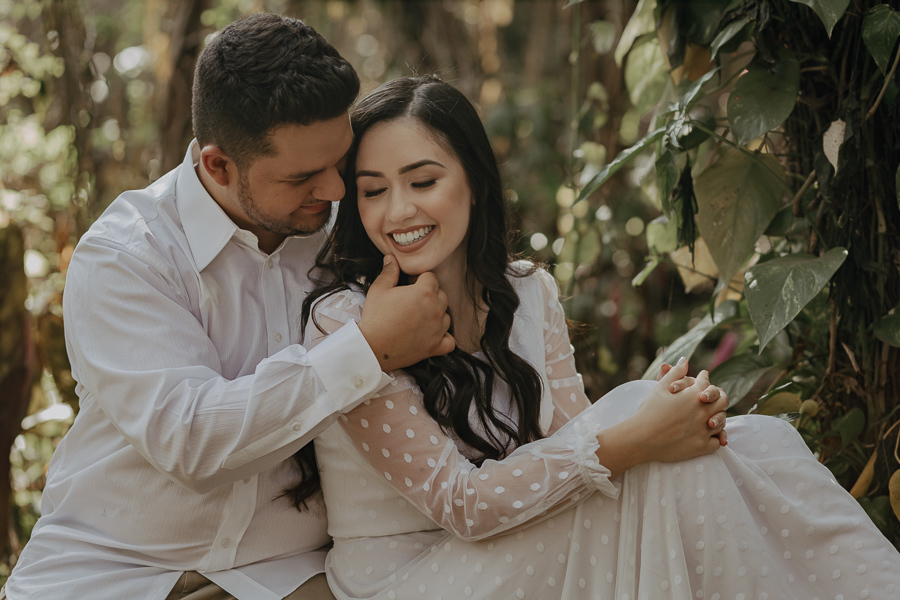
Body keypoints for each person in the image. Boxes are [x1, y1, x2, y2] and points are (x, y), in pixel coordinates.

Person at [301, 75, 900, 599]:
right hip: (408, 580)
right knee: (651, 443)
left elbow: (574, 440)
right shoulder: (348, 323)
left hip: (517, 546)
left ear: (475, 182)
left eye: (422, 181)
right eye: (373, 190)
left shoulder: (527, 292)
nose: (398, 211)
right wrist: (639, 435)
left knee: (759, 443)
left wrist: (671, 422)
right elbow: (462, 504)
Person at [2, 14, 456, 600]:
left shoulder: (355, 229)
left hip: (292, 573)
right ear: (218, 165)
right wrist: (368, 350)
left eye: (340, 162)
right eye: (303, 176)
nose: (336, 190)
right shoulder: (127, 254)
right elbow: (192, 439)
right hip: (111, 569)